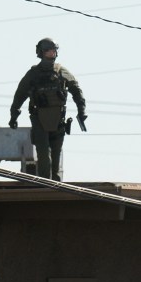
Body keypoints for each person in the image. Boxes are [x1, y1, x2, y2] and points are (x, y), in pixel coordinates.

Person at [9, 38, 87, 180]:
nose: (52, 53)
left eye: (54, 50)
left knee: (56, 154)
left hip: (58, 119)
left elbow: (76, 90)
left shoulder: (61, 71)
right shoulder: (33, 74)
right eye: (48, 50)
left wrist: (81, 110)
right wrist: (14, 115)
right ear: (41, 52)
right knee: (44, 155)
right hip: (39, 118)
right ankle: (45, 184)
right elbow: (20, 95)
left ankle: (56, 183)